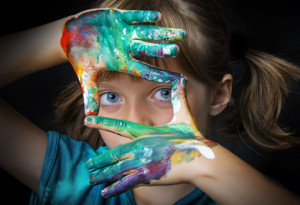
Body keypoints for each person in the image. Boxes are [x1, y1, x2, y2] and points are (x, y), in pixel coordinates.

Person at [0, 0, 299, 204]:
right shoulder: (70, 180)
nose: (135, 122)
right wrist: (68, 34)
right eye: (111, 96)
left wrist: (202, 162)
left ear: (218, 96)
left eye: (164, 93)